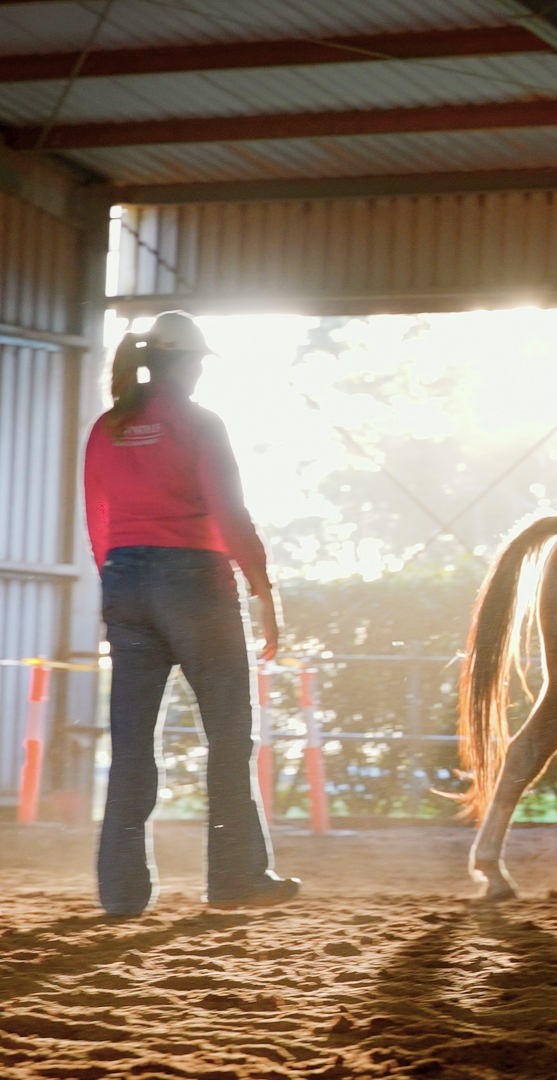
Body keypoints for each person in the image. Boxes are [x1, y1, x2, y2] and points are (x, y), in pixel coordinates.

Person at [83, 311, 299, 916]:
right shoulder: (200, 423)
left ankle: (122, 894)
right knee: (229, 736)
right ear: (186, 364)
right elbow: (229, 513)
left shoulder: (109, 427)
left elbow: (97, 519)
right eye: (200, 361)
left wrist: (121, 585)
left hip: (124, 582)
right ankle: (235, 877)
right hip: (195, 583)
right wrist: (264, 592)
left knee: (131, 745)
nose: (203, 370)